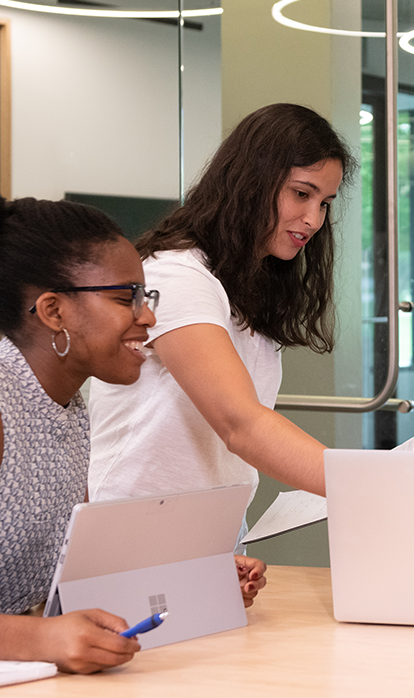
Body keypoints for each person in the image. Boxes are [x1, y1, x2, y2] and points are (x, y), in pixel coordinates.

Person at [0, 179, 265, 673]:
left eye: (146, 295)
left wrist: (198, 580)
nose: (149, 315)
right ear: (54, 310)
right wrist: (39, 639)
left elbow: (70, 584)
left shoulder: (67, 406)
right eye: (127, 298)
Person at [88, 103, 356, 540]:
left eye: (324, 203)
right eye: (301, 193)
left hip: (212, 524)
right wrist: (366, 484)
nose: (313, 220)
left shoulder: (248, 285)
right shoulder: (175, 273)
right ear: (253, 183)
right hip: (136, 526)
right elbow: (241, 424)